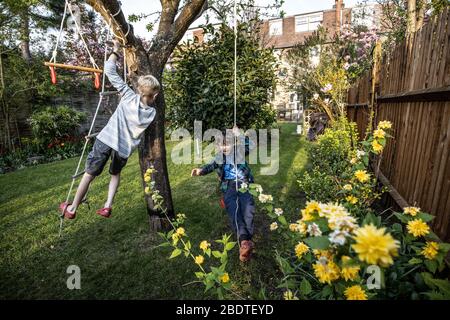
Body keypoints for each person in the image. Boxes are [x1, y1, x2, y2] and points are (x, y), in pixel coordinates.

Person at [59, 40, 160, 219]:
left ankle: (72, 208)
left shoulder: (129, 96)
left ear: (139, 90)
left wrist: (115, 51)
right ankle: (107, 205)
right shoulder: (151, 113)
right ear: (154, 95)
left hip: (106, 140)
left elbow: (110, 71)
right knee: (115, 174)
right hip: (124, 149)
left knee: (89, 174)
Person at [191, 127, 257, 262]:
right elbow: (210, 166)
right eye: (221, 144)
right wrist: (200, 171)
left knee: (248, 209)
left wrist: (240, 134)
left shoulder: (239, 151)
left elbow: (251, 145)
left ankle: (246, 241)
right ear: (217, 145)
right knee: (234, 209)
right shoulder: (219, 157)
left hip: (244, 183)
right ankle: (244, 241)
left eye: (227, 143)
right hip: (230, 185)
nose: (225, 147)